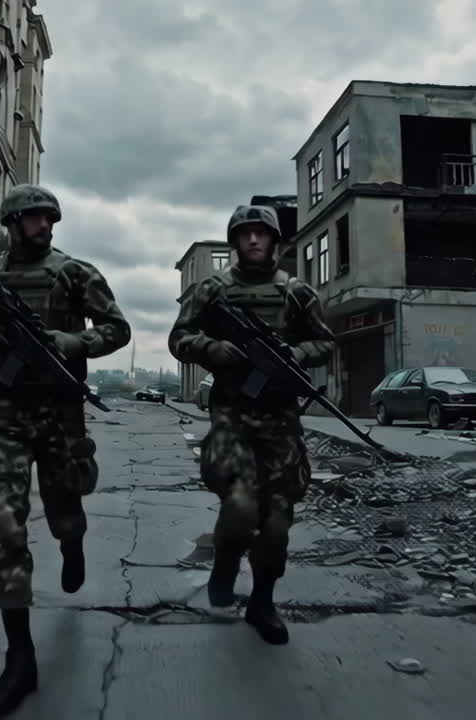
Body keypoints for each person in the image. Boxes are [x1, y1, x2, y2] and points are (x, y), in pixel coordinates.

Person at [0, 183, 131, 717]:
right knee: (3, 522)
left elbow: (118, 328)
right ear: (12, 222)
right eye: (32, 219)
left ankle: (73, 546)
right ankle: (20, 656)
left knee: (65, 510)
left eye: (49, 218)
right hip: (5, 410)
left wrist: (75, 343)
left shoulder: (76, 273)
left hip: (61, 409)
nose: (43, 226)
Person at [167, 205, 334, 645]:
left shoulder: (296, 293)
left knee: (277, 521)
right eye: (246, 235)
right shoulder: (213, 290)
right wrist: (210, 347)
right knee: (240, 504)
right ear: (235, 241)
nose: (254, 241)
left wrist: (296, 354)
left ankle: (263, 601)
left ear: (274, 242)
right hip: (232, 416)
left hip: (280, 420)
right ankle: (224, 564)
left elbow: (324, 342)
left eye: (262, 234)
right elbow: (178, 338)